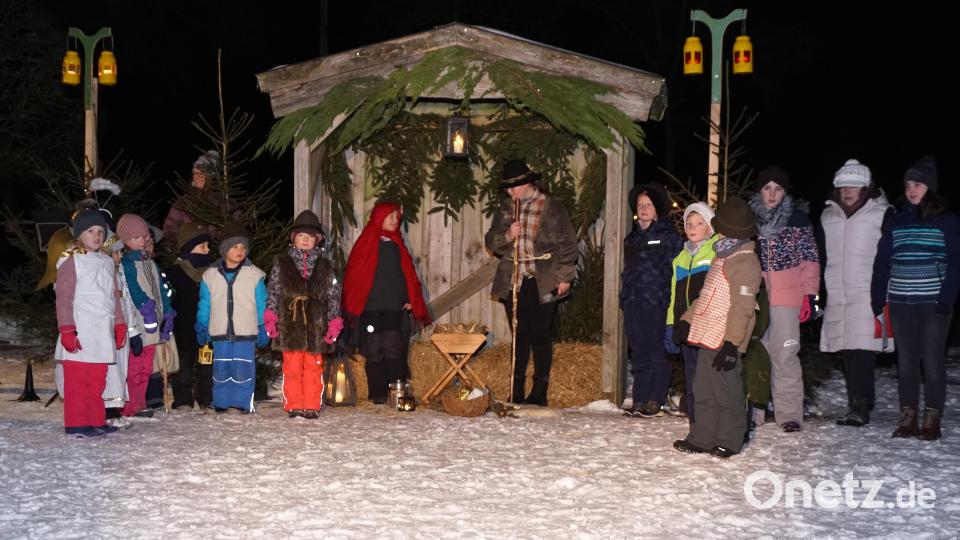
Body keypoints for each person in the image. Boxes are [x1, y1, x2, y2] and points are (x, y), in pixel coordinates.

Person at [873, 156, 959, 441]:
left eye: (918, 184)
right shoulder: (895, 219)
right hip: (900, 301)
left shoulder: (947, 221)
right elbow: (883, 261)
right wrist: (878, 296)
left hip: (934, 302)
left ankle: (932, 418)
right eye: (908, 184)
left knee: (932, 361)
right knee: (906, 361)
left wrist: (946, 298)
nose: (912, 189)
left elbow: (956, 262)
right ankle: (907, 416)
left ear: (930, 188)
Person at [672, 197, 761, 458]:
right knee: (703, 389)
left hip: (725, 340)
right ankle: (702, 437)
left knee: (727, 391)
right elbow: (705, 295)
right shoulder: (721, 256)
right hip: (707, 335)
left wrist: (733, 344)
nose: (717, 231)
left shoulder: (745, 262)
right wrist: (687, 320)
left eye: (721, 227)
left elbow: (743, 308)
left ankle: (730, 439)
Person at [484, 161, 578, 406]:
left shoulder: (552, 207)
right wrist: (508, 235)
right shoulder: (506, 209)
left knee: (541, 334)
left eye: (512, 187)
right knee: (519, 335)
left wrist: (565, 276)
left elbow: (568, 243)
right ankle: (515, 390)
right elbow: (492, 242)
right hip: (514, 280)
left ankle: (539, 393)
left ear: (525, 183)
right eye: (507, 189)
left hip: (544, 280)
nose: (509, 192)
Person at [819, 159, 893, 427]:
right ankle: (855, 402)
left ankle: (861, 405)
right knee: (847, 349)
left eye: (854, 186)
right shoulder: (828, 216)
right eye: (843, 187)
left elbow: (889, 256)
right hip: (837, 291)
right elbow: (822, 255)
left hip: (867, 290)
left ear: (866, 188)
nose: (848, 191)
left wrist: (884, 291)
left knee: (862, 349)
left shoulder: (883, 214)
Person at [749, 166, 820, 432]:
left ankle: (789, 414)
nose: (771, 194)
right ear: (760, 190)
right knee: (756, 354)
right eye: (767, 188)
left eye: (777, 189)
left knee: (786, 354)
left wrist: (809, 296)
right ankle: (754, 409)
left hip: (788, 298)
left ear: (784, 192)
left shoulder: (797, 220)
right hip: (757, 298)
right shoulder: (750, 219)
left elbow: (810, 260)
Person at [343, 202, 431, 404]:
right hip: (371, 308)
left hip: (394, 307)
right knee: (374, 349)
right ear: (378, 217)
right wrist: (356, 303)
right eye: (390, 216)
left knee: (394, 347)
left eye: (396, 217)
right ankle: (377, 392)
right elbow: (355, 275)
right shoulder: (366, 242)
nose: (394, 221)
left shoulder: (398, 244)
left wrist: (410, 299)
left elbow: (406, 276)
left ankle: (397, 390)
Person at [54, 208, 127, 437]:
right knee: (78, 380)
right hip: (81, 330)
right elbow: (64, 298)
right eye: (90, 231)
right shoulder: (71, 261)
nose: (97, 236)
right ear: (79, 235)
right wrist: (67, 329)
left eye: (100, 231)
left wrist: (120, 324)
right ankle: (77, 423)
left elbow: (114, 296)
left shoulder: (107, 262)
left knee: (97, 379)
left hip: (102, 332)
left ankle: (96, 420)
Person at [264, 210, 343, 418]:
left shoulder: (326, 267)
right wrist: (271, 315)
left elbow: (333, 295)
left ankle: (311, 405)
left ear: (318, 240)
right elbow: (274, 290)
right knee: (292, 367)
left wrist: (334, 320)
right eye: (301, 235)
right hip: (290, 324)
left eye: (310, 236)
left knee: (313, 367)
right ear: (293, 239)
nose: (305, 239)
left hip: (317, 326)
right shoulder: (281, 264)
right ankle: (294, 404)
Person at [620, 182, 683, 417]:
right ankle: (639, 398)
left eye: (649, 204)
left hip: (658, 303)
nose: (644, 208)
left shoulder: (670, 238)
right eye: (640, 205)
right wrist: (624, 297)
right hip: (633, 303)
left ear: (658, 208)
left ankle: (655, 399)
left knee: (657, 352)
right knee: (638, 351)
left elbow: (677, 271)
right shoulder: (631, 239)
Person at [196, 222, 269, 413]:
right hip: (219, 332)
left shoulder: (254, 275)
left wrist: (263, 326)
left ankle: (241, 403)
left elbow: (262, 303)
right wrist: (202, 324)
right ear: (224, 249)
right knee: (221, 370)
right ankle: (221, 402)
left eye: (243, 247)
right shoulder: (209, 276)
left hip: (246, 332)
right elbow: (205, 303)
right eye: (235, 246)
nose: (240, 250)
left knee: (243, 369)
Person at [116, 213, 176, 418]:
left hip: (155, 324)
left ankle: (140, 402)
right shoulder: (127, 264)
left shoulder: (150, 263)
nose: (141, 241)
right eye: (135, 238)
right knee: (136, 366)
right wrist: (145, 305)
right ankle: (131, 404)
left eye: (143, 237)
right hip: (140, 322)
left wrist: (167, 311)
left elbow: (160, 288)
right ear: (124, 241)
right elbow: (132, 289)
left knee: (146, 367)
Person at [666, 202, 717, 423]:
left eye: (699, 223)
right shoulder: (681, 258)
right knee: (692, 375)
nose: (692, 227)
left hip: (706, 328)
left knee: (708, 378)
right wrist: (670, 324)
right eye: (688, 223)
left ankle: (710, 422)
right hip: (684, 327)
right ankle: (696, 424)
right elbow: (672, 296)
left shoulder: (716, 253)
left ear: (710, 228)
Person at [165, 222, 214, 409]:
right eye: (203, 246)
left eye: (208, 246)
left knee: (206, 366)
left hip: (205, 331)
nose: (207, 250)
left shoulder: (211, 273)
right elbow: (169, 299)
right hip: (182, 329)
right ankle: (183, 399)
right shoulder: (174, 273)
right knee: (183, 367)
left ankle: (206, 397)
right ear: (188, 248)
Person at [162, 150, 220, 240]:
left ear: (211, 177)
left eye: (202, 174)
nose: (197, 177)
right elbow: (168, 229)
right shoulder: (183, 202)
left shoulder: (222, 201)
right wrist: (188, 234)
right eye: (195, 173)